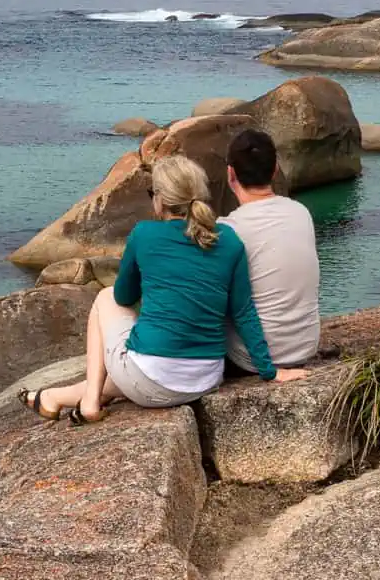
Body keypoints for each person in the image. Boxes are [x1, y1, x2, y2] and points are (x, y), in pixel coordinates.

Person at [23, 154, 307, 423]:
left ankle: (90, 402)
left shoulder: (145, 234)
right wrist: (270, 372)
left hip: (150, 379)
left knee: (103, 297)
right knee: (147, 371)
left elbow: (123, 296)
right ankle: (53, 397)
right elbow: (244, 312)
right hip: (206, 379)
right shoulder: (229, 240)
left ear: (159, 200)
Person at [218, 129, 321, 372]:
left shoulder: (228, 229)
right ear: (275, 169)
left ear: (230, 173)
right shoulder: (300, 212)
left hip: (251, 357)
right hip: (305, 346)